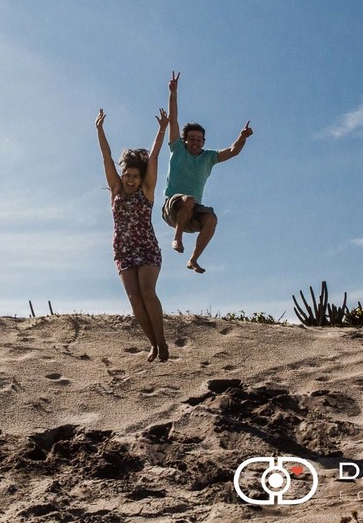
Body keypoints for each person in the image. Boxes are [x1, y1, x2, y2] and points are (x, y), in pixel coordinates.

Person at [96, 107, 170, 362]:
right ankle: (153, 344)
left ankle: (162, 341)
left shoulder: (146, 191)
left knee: (147, 291)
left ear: (141, 179)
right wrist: (99, 130)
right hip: (123, 250)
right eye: (127, 175)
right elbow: (106, 157)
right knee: (134, 297)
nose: (129, 180)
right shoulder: (116, 190)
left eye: (135, 176)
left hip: (147, 248)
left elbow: (155, 156)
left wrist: (162, 130)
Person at [162, 71, 253, 274]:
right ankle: (177, 238)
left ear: (204, 141)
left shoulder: (209, 157)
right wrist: (173, 93)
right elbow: (173, 120)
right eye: (191, 138)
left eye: (199, 139)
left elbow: (233, 151)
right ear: (185, 140)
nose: (195, 142)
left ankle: (193, 260)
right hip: (172, 208)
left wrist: (242, 137)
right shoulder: (177, 149)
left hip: (192, 211)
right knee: (188, 199)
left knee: (211, 219)